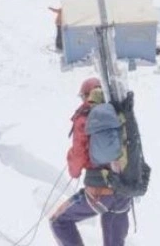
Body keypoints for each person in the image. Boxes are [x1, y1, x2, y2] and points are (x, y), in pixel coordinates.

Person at [50, 77, 132, 246]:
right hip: (124, 191)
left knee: (58, 221)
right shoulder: (118, 111)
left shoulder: (85, 116)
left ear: (88, 95)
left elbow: (77, 160)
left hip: (100, 192)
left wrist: (74, 168)